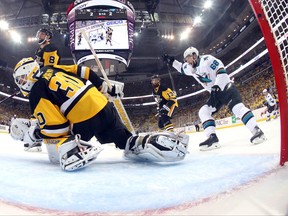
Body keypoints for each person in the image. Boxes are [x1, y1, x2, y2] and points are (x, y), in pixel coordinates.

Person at [10, 57, 189, 171]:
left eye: (21, 78)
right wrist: (103, 85)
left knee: (54, 154)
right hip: (103, 104)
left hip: (84, 118)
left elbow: (56, 127)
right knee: (125, 141)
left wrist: (35, 134)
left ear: (30, 74)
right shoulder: (52, 69)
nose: (21, 83)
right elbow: (83, 70)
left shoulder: (36, 92)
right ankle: (147, 142)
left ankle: (75, 150)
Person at [163, 46, 266, 151]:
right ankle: (212, 138)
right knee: (204, 111)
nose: (187, 61)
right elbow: (181, 68)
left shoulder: (207, 60)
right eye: (186, 60)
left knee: (237, 108)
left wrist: (217, 85)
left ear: (195, 55)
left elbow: (221, 71)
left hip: (225, 88)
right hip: (215, 93)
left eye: (188, 58)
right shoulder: (190, 67)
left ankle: (257, 131)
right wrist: (171, 61)